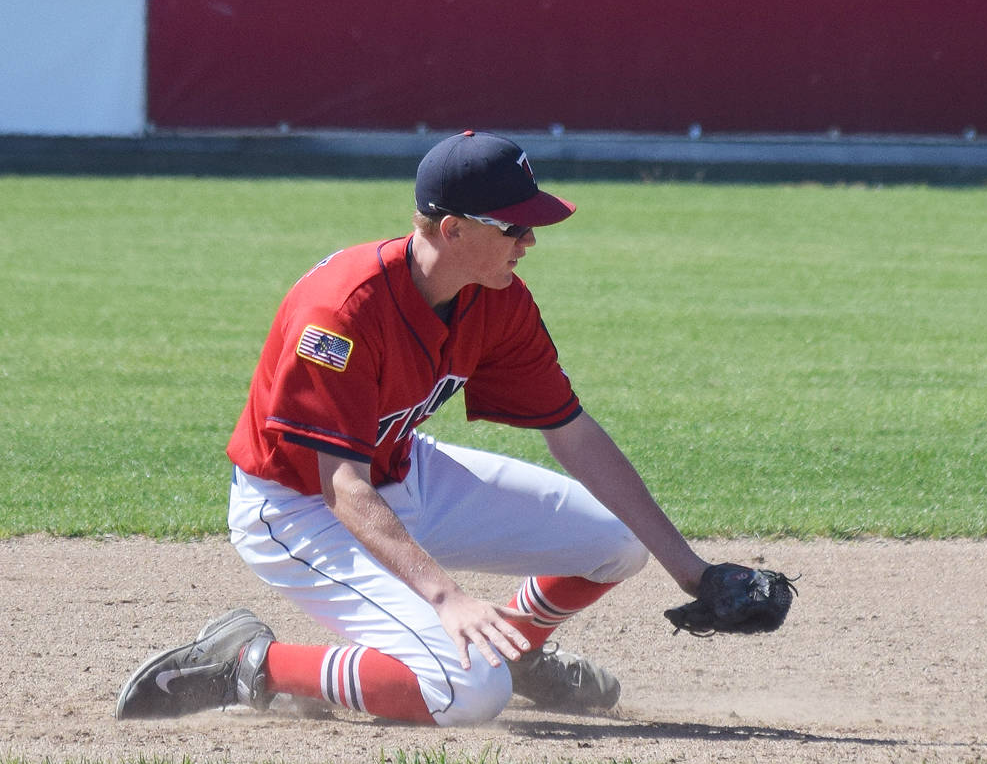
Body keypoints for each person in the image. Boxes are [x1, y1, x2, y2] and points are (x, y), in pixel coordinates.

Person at [116, 131, 727, 726]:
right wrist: (446, 598)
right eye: (513, 226)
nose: (531, 239)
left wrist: (693, 573)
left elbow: (571, 432)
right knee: (465, 694)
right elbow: (342, 488)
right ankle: (251, 663)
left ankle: (513, 652)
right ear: (453, 229)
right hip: (299, 508)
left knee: (617, 542)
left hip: (401, 471)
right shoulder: (341, 314)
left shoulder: (496, 296)